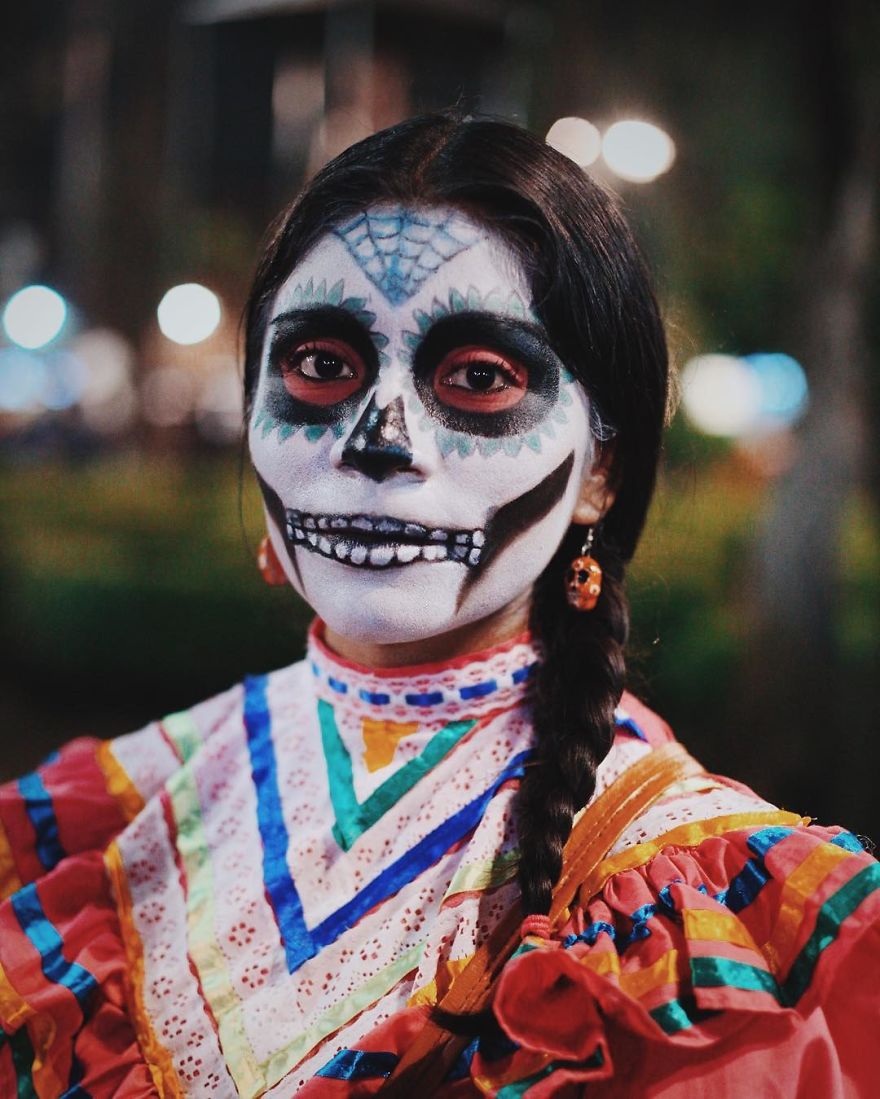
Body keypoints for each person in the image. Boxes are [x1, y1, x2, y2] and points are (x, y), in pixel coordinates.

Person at [1, 114, 877, 1098]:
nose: (377, 439)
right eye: (321, 366)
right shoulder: (107, 809)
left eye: (476, 378)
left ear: (601, 472)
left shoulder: (693, 906)